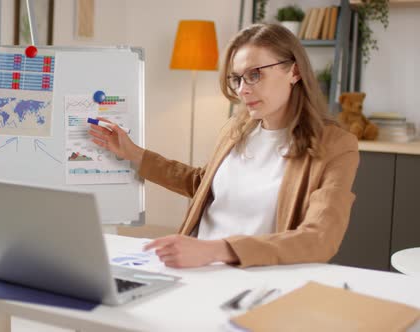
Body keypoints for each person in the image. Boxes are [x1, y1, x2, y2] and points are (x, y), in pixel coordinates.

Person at [88, 23, 359, 268]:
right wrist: (134, 153)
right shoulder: (236, 130)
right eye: (237, 78)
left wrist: (216, 251)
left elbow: (319, 238)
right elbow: (201, 184)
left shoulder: (335, 146)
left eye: (254, 74)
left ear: (294, 71)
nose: (242, 89)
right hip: (197, 267)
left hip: (252, 278)